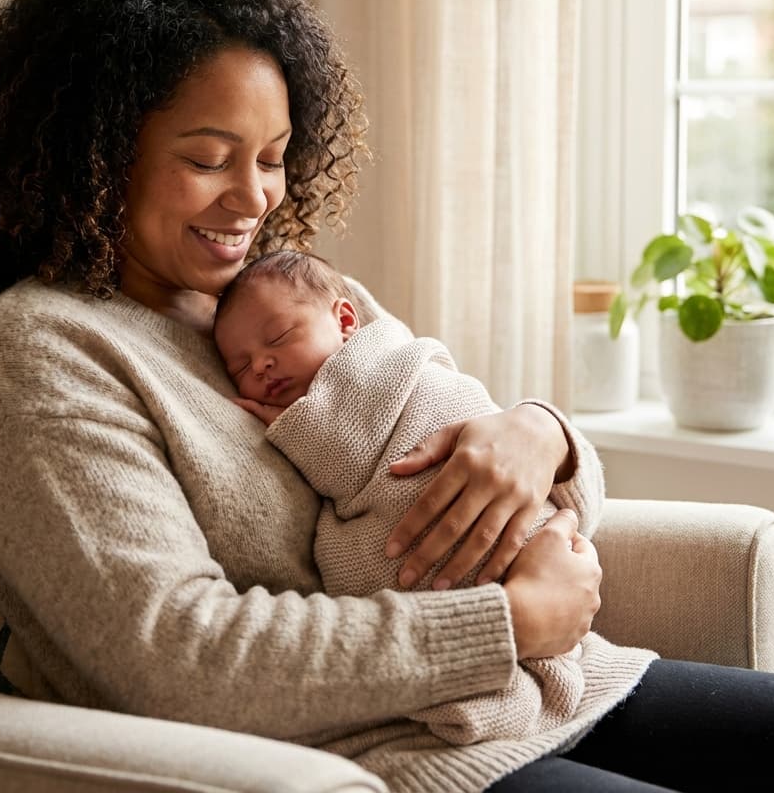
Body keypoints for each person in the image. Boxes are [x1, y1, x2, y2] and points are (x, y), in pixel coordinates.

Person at [0, 0, 774, 793]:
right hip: (393, 757)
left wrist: (541, 438)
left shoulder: (278, 294)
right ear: (97, 154)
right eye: (208, 159)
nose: (253, 198)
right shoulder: (44, 353)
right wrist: (508, 623)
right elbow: (182, 656)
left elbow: (456, 431)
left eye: (274, 158)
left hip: (559, 691)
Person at [212, 249, 647, 747]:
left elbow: (361, 442)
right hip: (442, 667)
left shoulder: (378, 359)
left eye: (279, 338)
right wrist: (519, 616)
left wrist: (545, 432)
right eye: (240, 366)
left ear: (347, 321)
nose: (262, 364)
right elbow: (351, 468)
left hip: (564, 612)